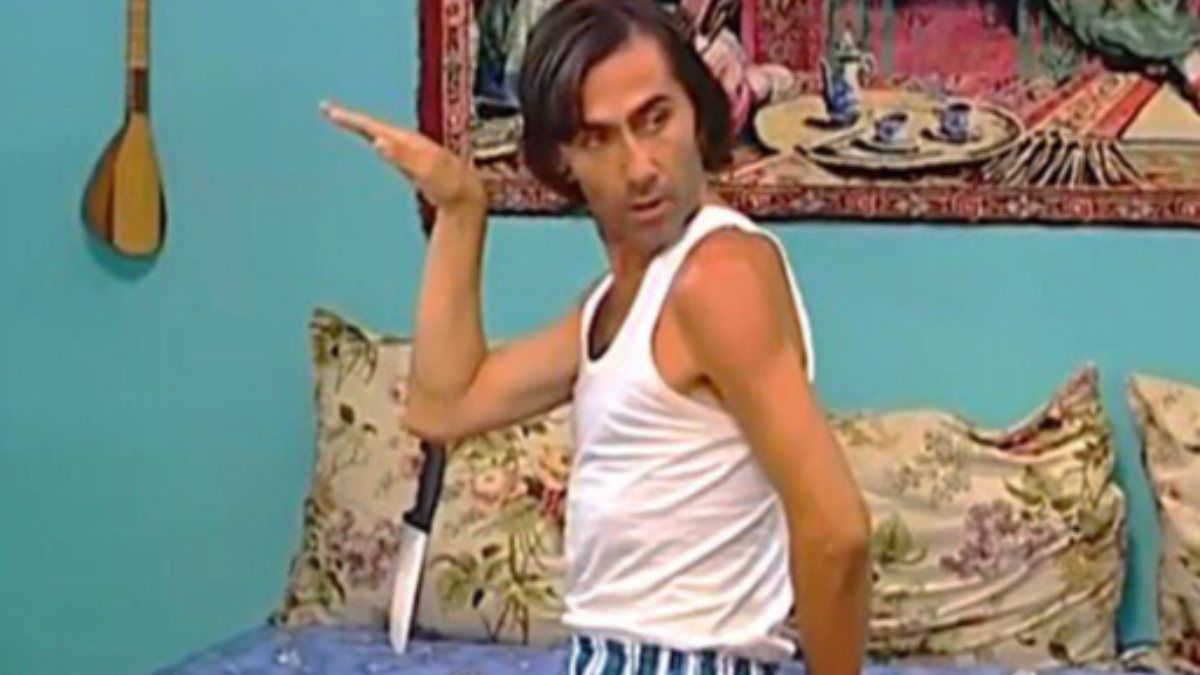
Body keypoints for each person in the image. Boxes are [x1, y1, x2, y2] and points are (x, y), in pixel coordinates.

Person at [319, 1, 870, 673]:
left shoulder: (719, 276)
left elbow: (838, 533)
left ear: (698, 114)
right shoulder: (618, 299)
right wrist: (462, 207)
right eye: (598, 138)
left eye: (655, 119)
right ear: (562, 158)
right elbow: (443, 406)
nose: (639, 167)